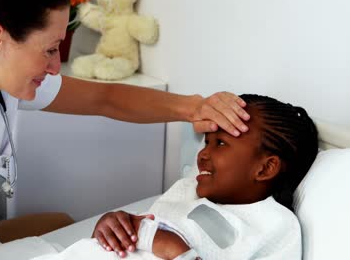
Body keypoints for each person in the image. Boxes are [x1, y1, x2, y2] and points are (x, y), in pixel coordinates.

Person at [0, 0, 250, 259]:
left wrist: (194, 107)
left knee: (62, 223)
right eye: (50, 49)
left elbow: (103, 100)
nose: (57, 66)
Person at [83, 94, 318, 259]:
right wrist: (110, 229)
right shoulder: (185, 191)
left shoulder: (275, 226)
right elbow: (128, 242)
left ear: (265, 168)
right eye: (207, 142)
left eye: (221, 143)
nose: (203, 153)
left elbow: (157, 241)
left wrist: (175, 250)